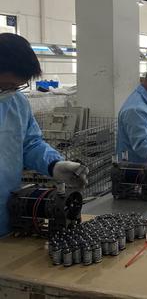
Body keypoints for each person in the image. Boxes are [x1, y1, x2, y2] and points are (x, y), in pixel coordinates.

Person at [0, 33, 88, 237]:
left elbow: (30, 144)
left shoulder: (16, 103)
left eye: (16, 86)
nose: (10, 91)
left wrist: (54, 165)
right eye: (5, 85)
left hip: (8, 213)